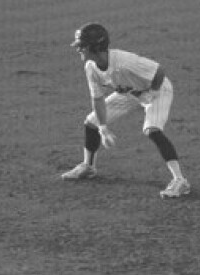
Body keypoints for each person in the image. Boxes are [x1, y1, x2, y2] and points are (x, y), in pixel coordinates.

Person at [61, 22, 190, 199]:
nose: (78, 50)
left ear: (95, 46)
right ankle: (88, 166)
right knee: (91, 123)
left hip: (157, 90)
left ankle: (180, 180)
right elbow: (97, 98)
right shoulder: (91, 67)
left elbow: (159, 71)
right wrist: (103, 127)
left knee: (152, 130)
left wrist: (151, 93)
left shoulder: (125, 62)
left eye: (82, 46)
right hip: (131, 92)